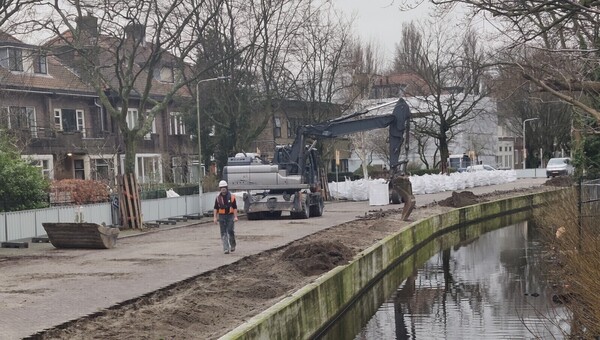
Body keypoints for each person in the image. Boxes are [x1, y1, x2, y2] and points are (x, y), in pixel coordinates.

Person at [213, 180, 238, 254]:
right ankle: (226, 248)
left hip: (230, 216)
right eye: (221, 187)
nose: (223, 189)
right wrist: (215, 217)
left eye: (224, 187)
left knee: (230, 231)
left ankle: (232, 245)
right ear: (220, 188)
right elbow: (215, 208)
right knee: (223, 232)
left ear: (227, 187)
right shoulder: (218, 198)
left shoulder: (232, 197)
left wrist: (235, 217)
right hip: (222, 216)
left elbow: (235, 207)